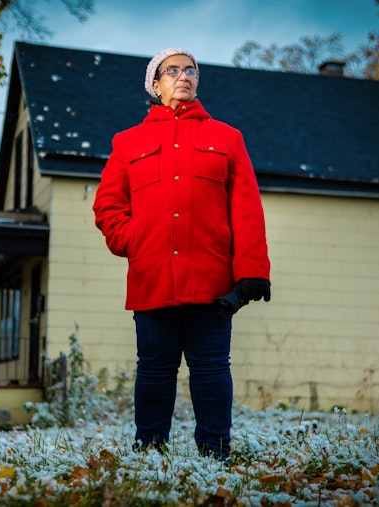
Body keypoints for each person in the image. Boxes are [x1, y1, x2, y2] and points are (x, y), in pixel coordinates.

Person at [92, 48, 271, 462]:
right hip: (151, 277)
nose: (183, 76)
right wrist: (134, 240)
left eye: (190, 69)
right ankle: (150, 452)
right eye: (172, 70)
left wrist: (252, 270)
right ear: (155, 85)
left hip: (211, 280)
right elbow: (107, 207)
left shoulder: (228, 138)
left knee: (210, 368)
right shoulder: (127, 142)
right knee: (154, 370)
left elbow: (246, 208)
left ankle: (215, 453)